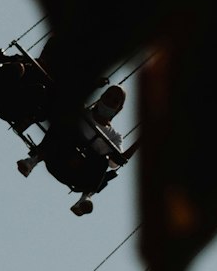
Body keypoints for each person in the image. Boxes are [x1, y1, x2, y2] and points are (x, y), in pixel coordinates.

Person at [16, 85, 138, 214]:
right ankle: (33, 160)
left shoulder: (114, 136)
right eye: (108, 96)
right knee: (65, 123)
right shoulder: (83, 113)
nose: (109, 101)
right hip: (58, 157)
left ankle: (86, 197)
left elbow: (115, 162)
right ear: (101, 97)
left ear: (119, 109)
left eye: (115, 101)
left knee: (103, 160)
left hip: (79, 174)